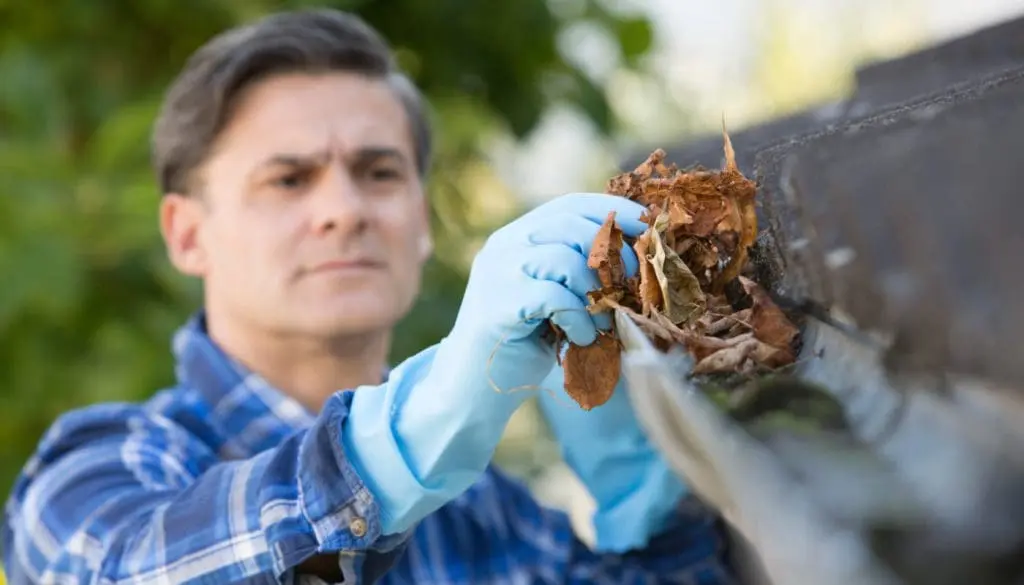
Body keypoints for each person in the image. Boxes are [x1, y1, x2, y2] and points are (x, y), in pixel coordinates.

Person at [1, 9, 735, 584]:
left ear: (421, 221)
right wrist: (409, 437)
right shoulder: (96, 471)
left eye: (379, 172)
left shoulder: (485, 510)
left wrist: (648, 505)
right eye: (288, 179)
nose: (344, 210)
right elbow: (123, 568)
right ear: (187, 234)